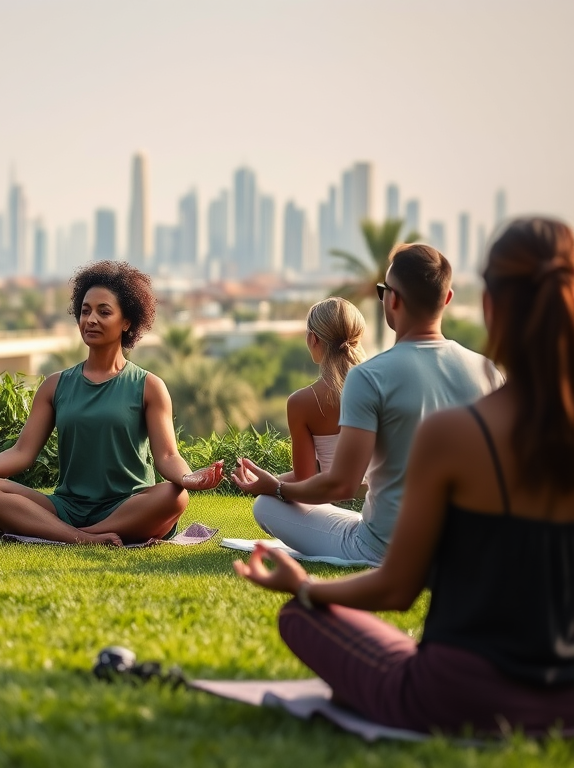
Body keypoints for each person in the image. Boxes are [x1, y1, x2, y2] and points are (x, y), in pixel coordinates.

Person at [234, 217, 574, 735]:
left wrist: (301, 585)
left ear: (487, 306)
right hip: (563, 699)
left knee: (297, 615)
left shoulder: (445, 428)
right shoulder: (492, 379)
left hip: (455, 695)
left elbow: (395, 586)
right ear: (451, 299)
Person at [233, 243, 504, 563]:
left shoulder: (371, 377)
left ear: (392, 299)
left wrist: (276, 488)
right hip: (463, 544)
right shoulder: (488, 372)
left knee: (265, 506)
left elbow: (342, 485)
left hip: (384, 547)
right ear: (447, 298)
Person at [0, 260, 224, 545]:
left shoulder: (149, 387)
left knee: (175, 496)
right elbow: (21, 452)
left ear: (127, 322)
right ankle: (81, 537)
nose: (91, 319)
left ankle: (67, 533)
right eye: (85, 311)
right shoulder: (55, 386)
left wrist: (188, 478)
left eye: (104, 312)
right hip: (67, 507)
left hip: (130, 505)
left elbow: (168, 457)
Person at [282, 297, 366, 482]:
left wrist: (269, 483)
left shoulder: (302, 401)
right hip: (388, 504)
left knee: (264, 503)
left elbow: (305, 480)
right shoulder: (384, 384)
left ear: (313, 339)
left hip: (333, 505)